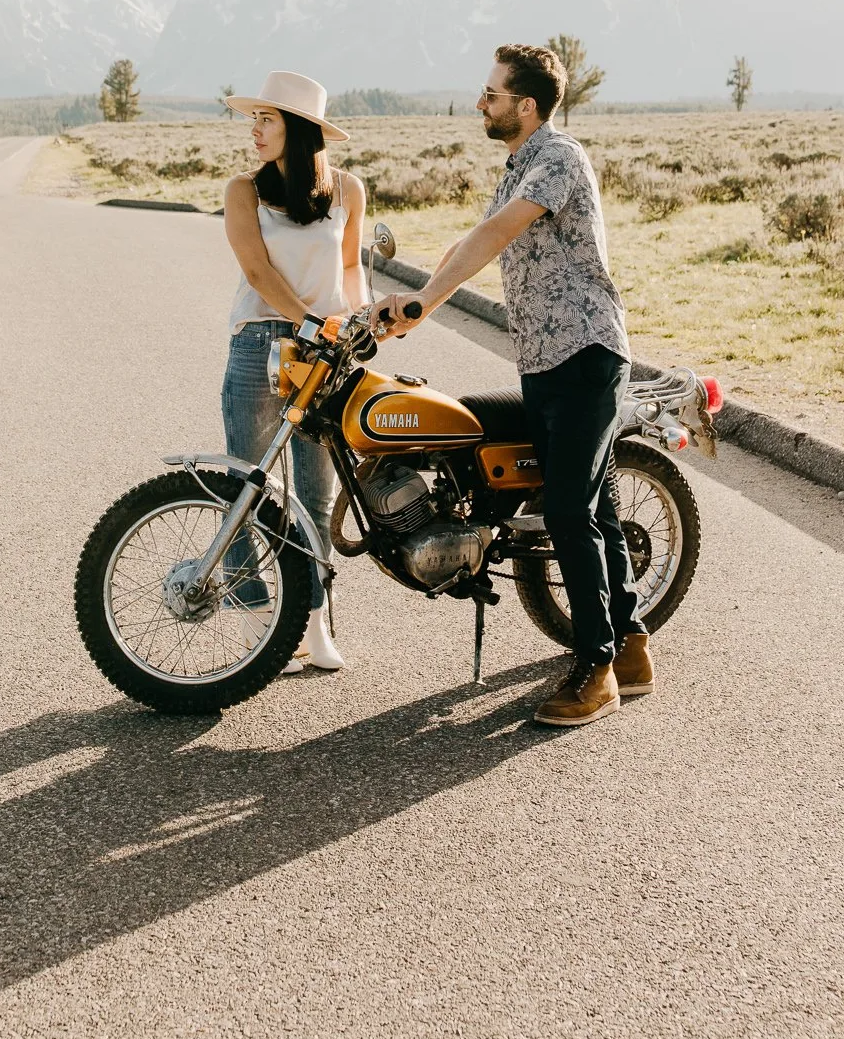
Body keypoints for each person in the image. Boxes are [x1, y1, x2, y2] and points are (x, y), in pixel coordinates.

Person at [376, 43, 648, 727]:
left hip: (585, 354)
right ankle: (633, 647)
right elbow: (471, 237)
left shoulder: (557, 157)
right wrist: (406, 303)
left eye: (491, 94)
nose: (481, 103)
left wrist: (428, 304)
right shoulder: (519, 166)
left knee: (568, 514)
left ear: (526, 105)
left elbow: (496, 235)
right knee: (597, 512)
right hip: (547, 361)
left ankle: (596, 672)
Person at [222, 70, 367, 673]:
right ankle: (264, 621)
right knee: (246, 485)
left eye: (269, 118)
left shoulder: (348, 190)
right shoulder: (243, 191)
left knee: (315, 492)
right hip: (261, 344)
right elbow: (256, 272)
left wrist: (357, 326)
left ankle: (315, 621)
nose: (255, 129)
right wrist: (308, 320)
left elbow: (353, 266)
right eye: (254, 117)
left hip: (326, 352)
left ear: (301, 130)